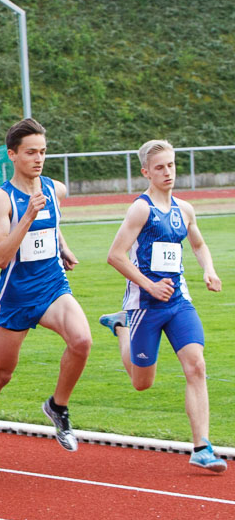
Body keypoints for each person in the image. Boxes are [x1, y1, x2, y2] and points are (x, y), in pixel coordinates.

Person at [0, 118, 92, 477]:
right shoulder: (2, 199)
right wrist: (26, 216)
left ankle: (58, 406)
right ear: (13, 155)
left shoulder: (56, 188)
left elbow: (53, 226)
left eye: (42, 151)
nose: (38, 158)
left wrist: (63, 246)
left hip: (52, 285)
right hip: (17, 295)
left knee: (82, 340)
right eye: (30, 153)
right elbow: (0, 256)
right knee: (1, 374)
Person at [99, 140, 226, 473]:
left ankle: (202, 447)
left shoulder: (185, 209)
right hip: (145, 305)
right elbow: (115, 255)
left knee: (196, 365)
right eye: (159, 167)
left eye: (171, 165)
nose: (167, 172)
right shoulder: (141, 209)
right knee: (142, 382)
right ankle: (121, 325)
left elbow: (198, 244)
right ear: (146, 172)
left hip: (179, 302)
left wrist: (209, 270)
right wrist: (149, 285)